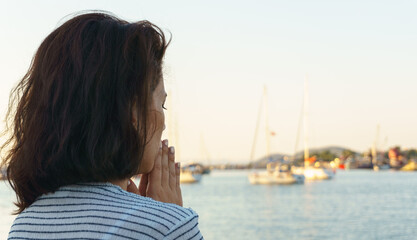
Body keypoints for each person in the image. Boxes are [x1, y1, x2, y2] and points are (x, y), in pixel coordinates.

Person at [2, 12, 203, 240]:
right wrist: (167, 217)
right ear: (132, 111)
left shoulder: (25, 226)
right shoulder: (170, 226)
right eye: (162, 105)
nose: (164, 125)